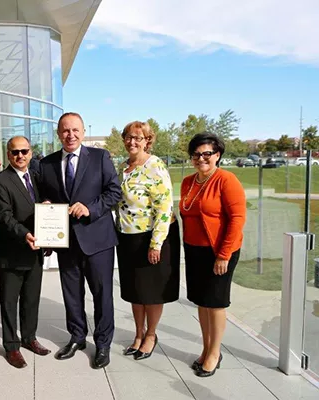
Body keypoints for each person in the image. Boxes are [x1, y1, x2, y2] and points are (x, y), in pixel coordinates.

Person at [38, 112, 121, 369]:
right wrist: (46, 205)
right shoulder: (47, 163)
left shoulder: (100, 157)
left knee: (102, 295)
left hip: (98, 240)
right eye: (65, 130)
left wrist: (90, 208)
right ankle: (77, 337)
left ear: (83, 132)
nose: (70, 135)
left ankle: (103, 343)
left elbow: (114, 191)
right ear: (58, 134)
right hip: (67, 242)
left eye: (75, 130)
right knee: (71, 294)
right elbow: (43, 197)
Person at [180, 132, 246, 377]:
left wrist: (224, 254)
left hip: (219, 251)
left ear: (217, 155)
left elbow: (237, 219)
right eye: (196, 154)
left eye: (207, 154)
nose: (201, 158)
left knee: (216, 303)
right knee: (201, 301)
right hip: (194, 250)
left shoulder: (226, 180)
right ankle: (206, 347)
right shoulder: (189, 182)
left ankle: (215, 353)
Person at [114, 121, 180, 361]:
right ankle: (138, 334)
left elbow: (165, 206)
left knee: (151, 291)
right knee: (134, 290)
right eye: (129, 137)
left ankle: (151, 335)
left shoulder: (155, 165)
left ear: (147, 141)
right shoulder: (123, 167)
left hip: (152, 237)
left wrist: (156, 243)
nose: (133, 142)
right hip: (127, 237)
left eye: (138, 138)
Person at [0, 136, 51, 369]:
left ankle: (29, 338)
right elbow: (4, 216)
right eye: (15, 152)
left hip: (35, 251)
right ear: (8, 155)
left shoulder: (35, 177)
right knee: (9, 302)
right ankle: (12, 346)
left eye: (24, 151)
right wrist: (25, 234)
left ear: (31, 152)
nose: (20, 156)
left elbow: (44, 207)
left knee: (31, 300)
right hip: (13, 252)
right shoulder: (0, 181)